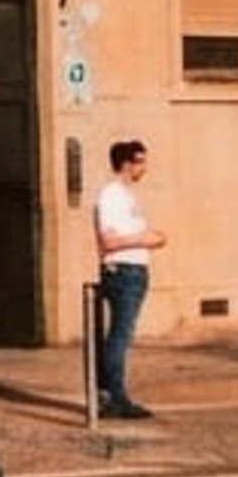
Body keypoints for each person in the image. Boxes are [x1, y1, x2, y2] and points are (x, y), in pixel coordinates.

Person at [91, 137, 164, 419]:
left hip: (132, 271)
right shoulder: (111, 195)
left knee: (121, 334)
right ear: (126, 164)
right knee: (120, 336)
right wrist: (146, 239)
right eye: (140, 161)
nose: (144, 168)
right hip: (123, 271)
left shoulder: (126, 196)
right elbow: (108, 241)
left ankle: (110, 394)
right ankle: (114, 397)